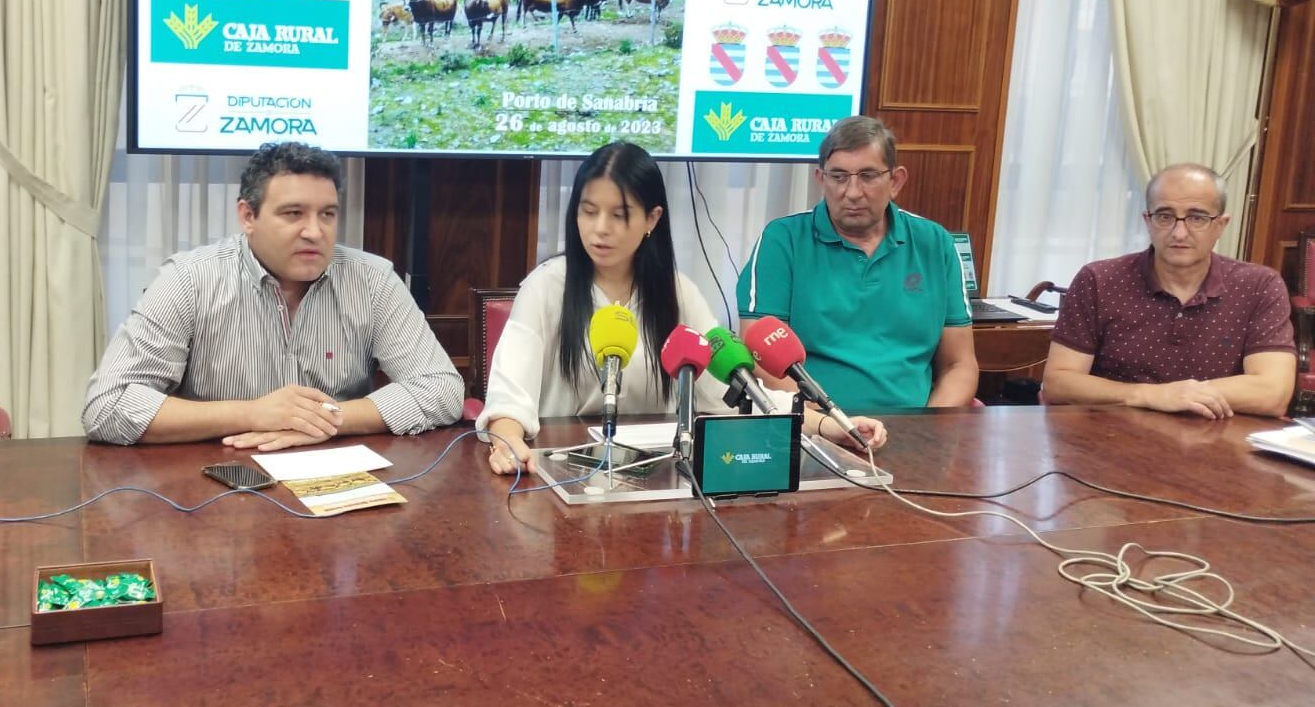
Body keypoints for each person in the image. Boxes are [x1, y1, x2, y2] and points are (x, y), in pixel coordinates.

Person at [478, 141, 886, 475]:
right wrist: (508, 439)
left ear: (652, 218)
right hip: (564, 470)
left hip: (656, 474)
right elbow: (510, 397)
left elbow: (735, 392)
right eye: (588, 211)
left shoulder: (678, 293)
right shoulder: (547, 286)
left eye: (619, 215)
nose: (600, 228)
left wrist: (827, 425)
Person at [84, 142, 463, 447]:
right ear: (248, 216)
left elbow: (441, 388)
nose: (314, 231)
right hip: (216, 478)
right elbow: (108, 405)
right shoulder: (189, 280)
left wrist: (328, 419)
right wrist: (253, 413)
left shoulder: (372, 279)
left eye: (327, 214)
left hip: (334, 476)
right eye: (293, 213)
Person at [736, 115, 978, 412]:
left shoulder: (935, 243)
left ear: (896, 181)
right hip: (812, 428)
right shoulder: (782, 241)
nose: (852, 192)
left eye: (868, 176)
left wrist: (925, 427)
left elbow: (959, 364)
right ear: (820, 179)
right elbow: (760, 362)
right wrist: (832, 425)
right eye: (838, 176)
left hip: (914, 430)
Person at [1042, 164, 1294, 418]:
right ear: (1147, 221)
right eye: (1165, 216)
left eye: (1197, 218)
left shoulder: (1259, 285)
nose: (1179, 232)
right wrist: (1150, 396)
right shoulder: (1099, 280)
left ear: (1221, 224)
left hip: (1216, 445)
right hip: (1110, 438)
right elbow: (1059, 384)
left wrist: (1185, 395)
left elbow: (1272, 393)